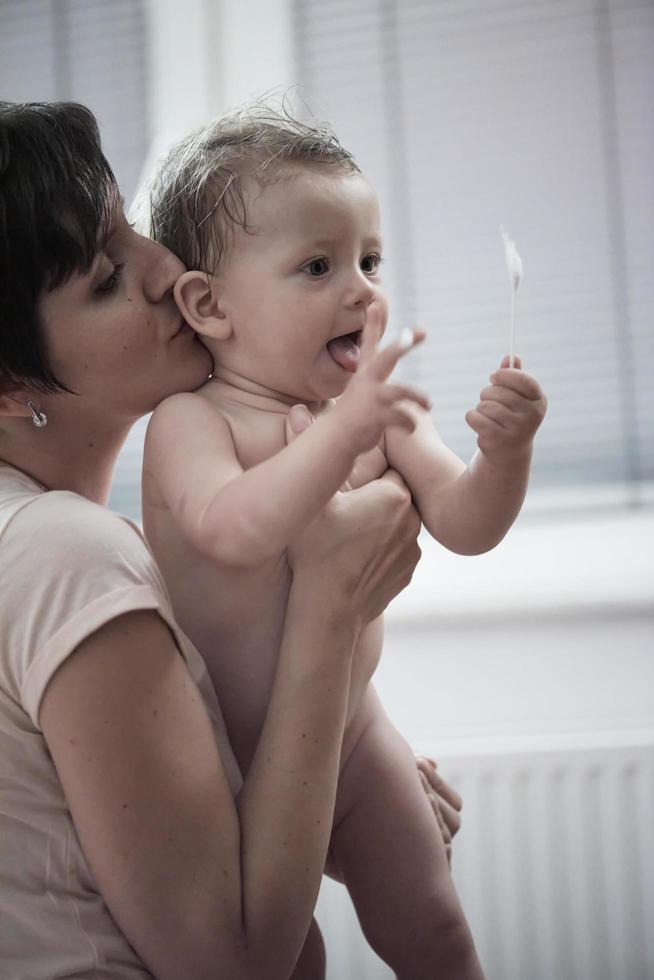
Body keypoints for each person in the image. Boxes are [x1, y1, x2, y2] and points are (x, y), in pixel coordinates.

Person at [0, 100, 461, 980]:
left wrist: (347, 774)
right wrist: (330, 609)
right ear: (11, 386)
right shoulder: (62, 553)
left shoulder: (82, 544)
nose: (167, 269)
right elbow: (238, 964)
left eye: (131, 232)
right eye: (106, 277)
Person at [141, 104, 545, 979]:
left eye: (369, 259)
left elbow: (467, 523)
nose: (362, 290)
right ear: (209, 306)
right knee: (295, 962)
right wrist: (343, 432)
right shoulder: (189, 423)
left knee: (436, 928)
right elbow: (235, 528)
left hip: (351, 735)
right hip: (218, 765)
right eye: (318, 266)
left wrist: (504, 455)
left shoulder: (372, 412)